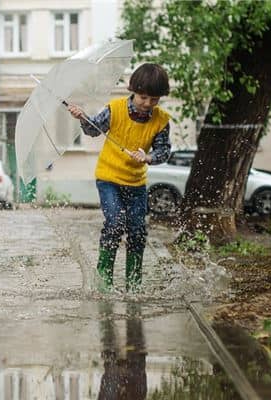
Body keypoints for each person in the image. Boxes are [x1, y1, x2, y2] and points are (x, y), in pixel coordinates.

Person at [68, 63, 171, 292]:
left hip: (136, 183)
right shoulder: (114, 109)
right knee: (115, 224)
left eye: (154, 100)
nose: (148, 104)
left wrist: (149, 157)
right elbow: (93, 130)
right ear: (132, 90)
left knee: (137, 230)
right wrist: (83, 117)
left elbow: (164, 151)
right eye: (144, 97)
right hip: (109, 179)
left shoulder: (161, 120)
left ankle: (133, 285)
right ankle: (104, 283)